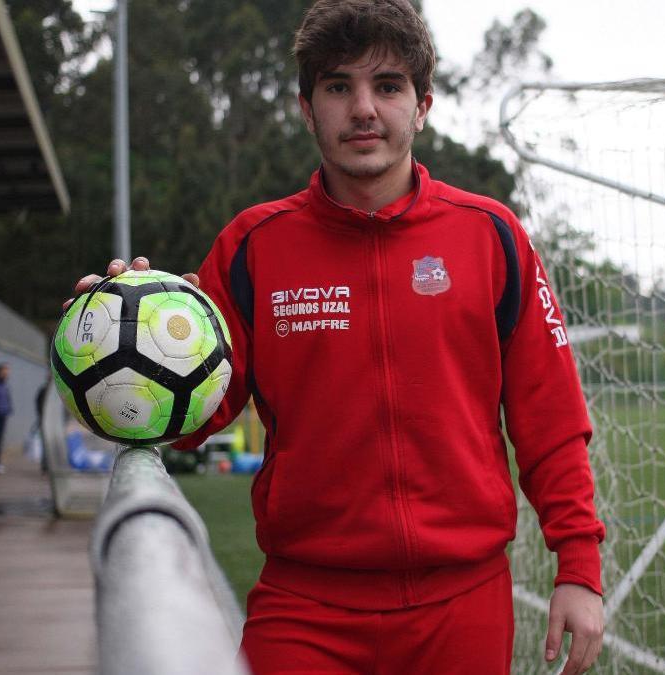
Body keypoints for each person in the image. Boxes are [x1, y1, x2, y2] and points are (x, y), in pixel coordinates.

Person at [70, 1, 604, 672]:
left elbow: (549, 418)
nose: (362, 109)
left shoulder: (492, 237)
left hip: (462, 605)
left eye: (386, 86)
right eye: (337, 86)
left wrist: (578, 564)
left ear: (423, 104)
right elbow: (190, 416)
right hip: (305, 609)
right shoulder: (252, 247)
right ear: (305, 106)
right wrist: (120, 344)